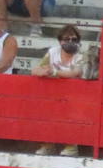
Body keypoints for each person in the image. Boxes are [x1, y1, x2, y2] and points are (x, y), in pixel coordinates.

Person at [31, 25, 88, 153]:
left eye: (74, 39)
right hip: (52, 95)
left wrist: (54, 73)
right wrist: (41, 72)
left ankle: (71, 145)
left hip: (74, 96)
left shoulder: (81, 56)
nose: (70, 42)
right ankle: (48, 144)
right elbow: (36, 69)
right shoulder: (53, 52)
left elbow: (75, 72)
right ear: (60, 41)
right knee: (45, 111)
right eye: (67, 39)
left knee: (71, 113)